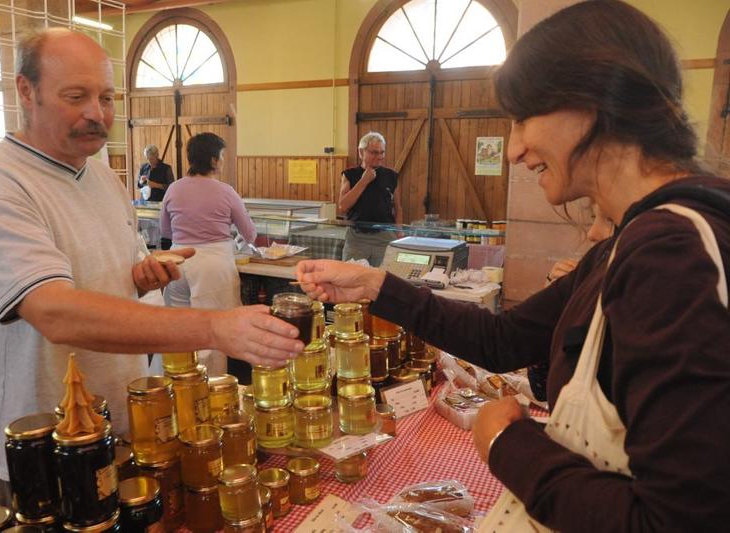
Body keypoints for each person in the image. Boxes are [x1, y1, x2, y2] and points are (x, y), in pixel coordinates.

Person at [295, 2, 730, 530]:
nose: (514, 149)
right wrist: (375, 284)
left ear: (592, 102)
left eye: (524, 118)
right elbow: (505, 339)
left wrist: (509, 443)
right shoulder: (631, 240)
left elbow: (677, 521)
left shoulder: (674, 254)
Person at [0, 28, 303, 506]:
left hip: (126, 427)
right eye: (76, 96)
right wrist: (215, 328)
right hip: (44, 447)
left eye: (107, 97)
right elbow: (56, 312)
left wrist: (138, 275)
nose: (97, 113)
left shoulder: (98, 172)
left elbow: (105, 269)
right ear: (25, 91)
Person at [160, 132, 257, 375]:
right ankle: (212, 396)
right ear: (214, 160)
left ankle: (179, 387)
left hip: (177, 263)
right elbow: (250, 234)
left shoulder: (173, 189)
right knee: (215, 336)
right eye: (222, 156)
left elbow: (165, 231)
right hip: (213, 266)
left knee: (181, 332)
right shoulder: (226, 191)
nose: (223, 162)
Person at [529, 204, 615, 401]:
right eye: (593, 218)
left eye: (609, 220)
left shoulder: (622, 301)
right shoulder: (587, 279)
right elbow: (540, 386)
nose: (592, 233)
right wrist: (552, 302)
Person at [338, 132, 403, 266]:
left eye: (382, 152)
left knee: (384, 278)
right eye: (374, 152)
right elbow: (343, 206)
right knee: (352, 278)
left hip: (385, 236)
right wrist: (363, 181)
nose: (379, 157)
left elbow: (397, 207)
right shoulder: (350, 175)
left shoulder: (391, 176)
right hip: (357, 238)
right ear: (361, 152)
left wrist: (399, 231)